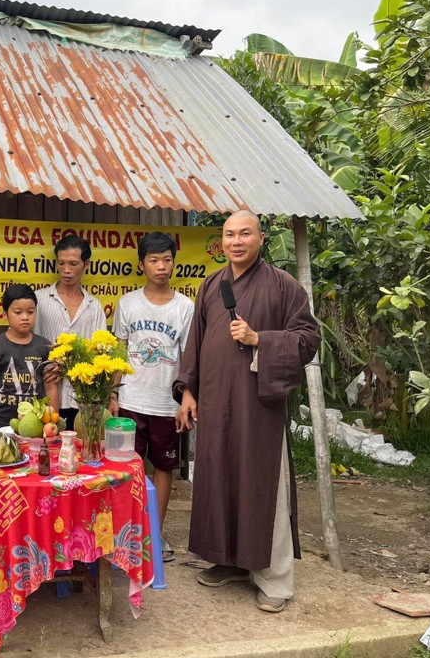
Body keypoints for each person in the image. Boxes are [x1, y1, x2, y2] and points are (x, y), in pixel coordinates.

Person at [173, 210, 320, 613]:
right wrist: (188, 390)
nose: (236, 242)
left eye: (245, 234)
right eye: (229, 235)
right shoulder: (212, 285)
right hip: (217, 403)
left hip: (258, 408)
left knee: (261, 486)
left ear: (260, 238)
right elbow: (196, 342)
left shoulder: (283, 286)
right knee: (219, 478)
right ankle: (229, 559)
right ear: (222, 242)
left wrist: (261, 340)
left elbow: (308, 339)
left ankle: (274, 579)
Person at [109, 231, 194, 564]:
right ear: (141, 263)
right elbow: (119, 350)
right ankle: (123, 533)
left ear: (174, 262)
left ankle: (154, 534)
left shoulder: (185, 307)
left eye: (167, 260)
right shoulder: (128, 303)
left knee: (163, 467)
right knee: (125, 468)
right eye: (154, 260)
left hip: (165, 403)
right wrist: (113, 393)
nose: (161, 266)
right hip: (130, 400)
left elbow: (187, 357)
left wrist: (186, 397)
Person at [0, 235, 106, 430]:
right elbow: (18, 335)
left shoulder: (94, 307)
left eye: (73, 263)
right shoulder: (39, 299)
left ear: (86, 264)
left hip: (81, 399)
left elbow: (100, 352)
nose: (67, 270)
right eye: (61, 263)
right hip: (40, 402)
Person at [0, 284, 59, 433]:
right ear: (4, 314)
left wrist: (52, 425)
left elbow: (51, 388)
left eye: (30, 312)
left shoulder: (44, 346)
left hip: (35, 426)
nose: (25, 317)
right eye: (18, 312)